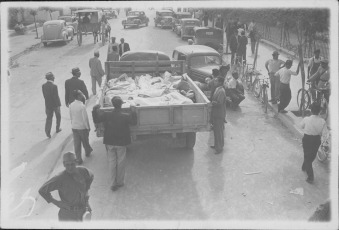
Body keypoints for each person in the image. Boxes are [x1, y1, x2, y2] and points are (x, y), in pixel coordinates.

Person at [94, 96, 137, 191]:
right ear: (121, 104)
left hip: (110, 142)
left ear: (112, 104)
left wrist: (94, 110)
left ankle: (113, 183)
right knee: (121, 162)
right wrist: (133, 111)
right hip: (121, 143)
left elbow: (96, 120)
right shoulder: (125, 116)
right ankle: (120, 182)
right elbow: (134, 122)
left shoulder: (107, 114)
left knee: (112, 162)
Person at [39, 152, 94, 221]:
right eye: (67, 165)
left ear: (76, 162)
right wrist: (57, 203)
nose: (70, 167)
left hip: (83, 210)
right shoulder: (59, 178)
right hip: (68, 214)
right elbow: (42, 190)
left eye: (72, 164)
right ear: (64, 164)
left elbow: (91, 176)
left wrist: (86, 191)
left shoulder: (83, 171)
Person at [299, 103, 327, 183]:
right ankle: (306, 168)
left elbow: (300, 126)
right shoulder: (322, 121)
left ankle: (310, 176)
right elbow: (325, 134)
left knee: (307, 154)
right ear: (319, 111)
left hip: (307, 139)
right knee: (311, 156)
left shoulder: (306, 119)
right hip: (316, 140)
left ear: (311, 110)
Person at [69, 90, 93, 165]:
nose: (83, 95)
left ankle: (78, 159)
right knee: (85, 141)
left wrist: (72, 124)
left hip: (74, 127)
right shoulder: (82, 106)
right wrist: (88, 127)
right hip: (82, 127)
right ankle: (87, 151)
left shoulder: (71, 105)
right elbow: (85, 118)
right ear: (79, 96)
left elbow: (71, 116)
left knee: (77, 144)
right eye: (81, 94)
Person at [42, 72, 62, 138]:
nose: (54, 78)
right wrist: (59, 104)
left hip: (48, 105)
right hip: (55, 105)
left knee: (49, 118)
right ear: (51, 78)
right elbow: (56, 96)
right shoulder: (54, 86)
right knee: (58, 116)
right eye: (53, 77)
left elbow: (44, 96)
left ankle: (48, 132)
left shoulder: (43, 85)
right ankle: (57, 128)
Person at [210, 77, 227, 154]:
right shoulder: (217, 89)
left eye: (216, 81)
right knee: (216, 131)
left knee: (219, 131)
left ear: (220, 82)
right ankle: (217, 145)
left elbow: (219, 103)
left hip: (219, 114)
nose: (215, 82)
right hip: (216, 113)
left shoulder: (221, 91)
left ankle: (219, 148)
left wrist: (212, 103)